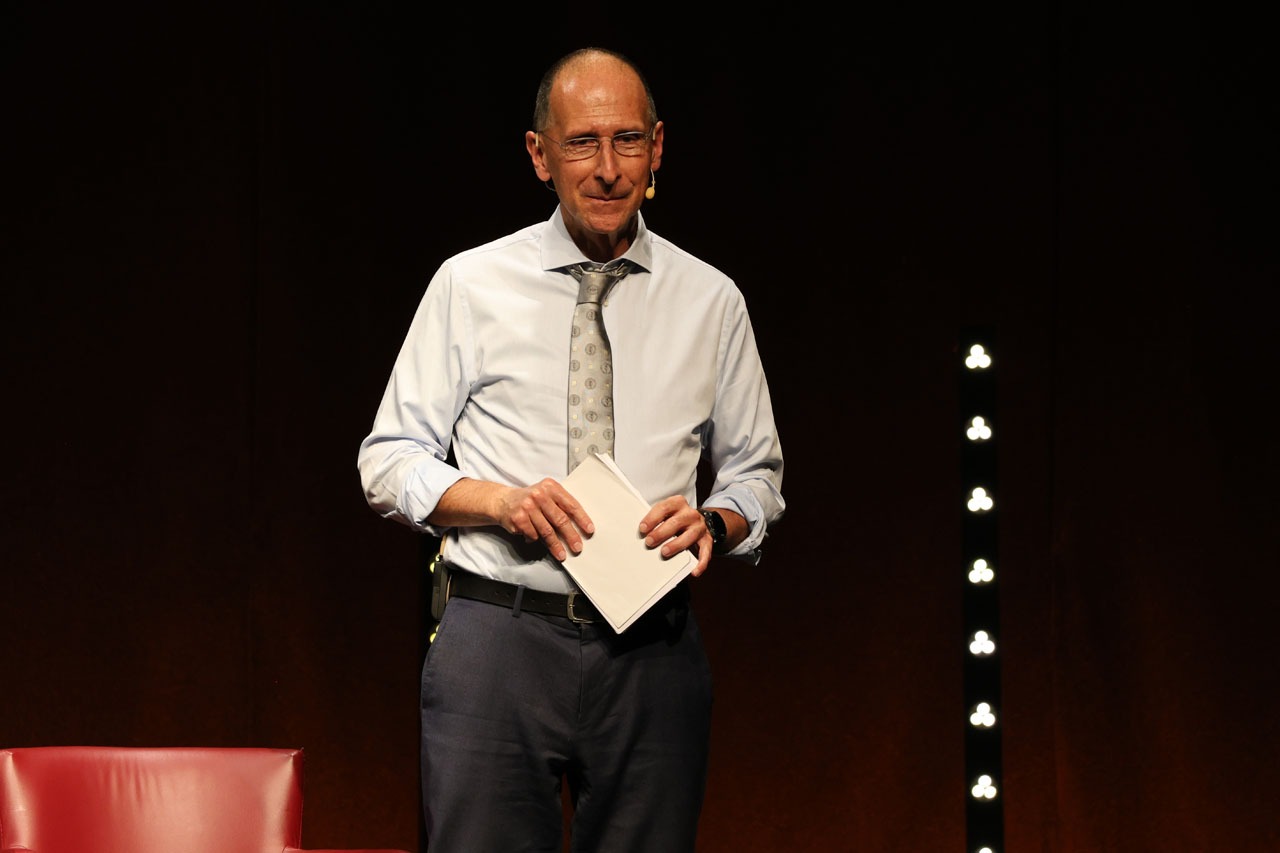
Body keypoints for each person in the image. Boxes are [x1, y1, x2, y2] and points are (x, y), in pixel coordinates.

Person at [357, 46, 785, 852]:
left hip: (653, 647)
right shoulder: (471, 284)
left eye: (627, 141)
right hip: (498, 636)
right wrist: (499, 501)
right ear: (540, 154)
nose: (608, 169)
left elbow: (757, 475)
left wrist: (714, 522)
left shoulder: (711, 299)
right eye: (582, 142)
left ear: (658, 148)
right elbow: (387, 459)